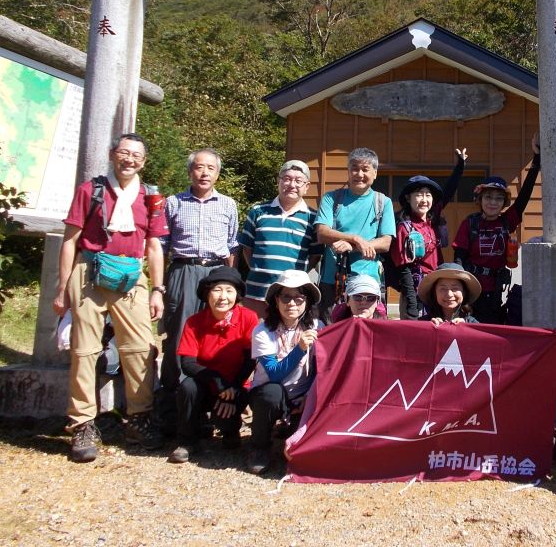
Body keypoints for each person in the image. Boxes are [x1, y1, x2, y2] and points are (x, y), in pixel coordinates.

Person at [53, 132, 167, 462]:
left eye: (137, 155)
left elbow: (155, 246)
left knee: (139, 349)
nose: (129, 160)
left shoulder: (150, 197)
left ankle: (139, 417)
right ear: (112, 154)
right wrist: (63, 289)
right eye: (124, 153)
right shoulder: (90, 190)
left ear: (144, 161)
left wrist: (157, 289)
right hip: (90, 271)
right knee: (84, 350)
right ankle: (82, 423)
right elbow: (69, 241)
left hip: (132, 276)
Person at [157, 148, 240, 435]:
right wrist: (159, 286)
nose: (204, 173)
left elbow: (232, 247)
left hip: (216, 273)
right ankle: (176, 408)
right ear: (190, 171)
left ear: (218, 173)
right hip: (183, 270)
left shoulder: (228, 205)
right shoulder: (173, 203)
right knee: (180, 335)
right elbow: (161, 247)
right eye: (199, 167)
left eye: (210, 168)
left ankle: (211, 403)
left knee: (216, 336)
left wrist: (232, 284)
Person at [169, 266, 257, 463]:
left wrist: (231, 388)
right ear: (207, 293)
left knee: (227, 429)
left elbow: (251, 359)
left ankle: (230, 429)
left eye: (229, 290)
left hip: (236, 386)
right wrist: (216, 380)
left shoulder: (248, 318)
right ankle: (187, 440)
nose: (223, 297)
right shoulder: (194, 322)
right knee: (187, 387)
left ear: (237, 295)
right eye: (217, 290)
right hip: (206, 385)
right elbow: (188, 363)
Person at [453, 134, 541, 323]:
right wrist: (462, 292)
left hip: (496, 291)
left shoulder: (507, 221)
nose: (493, 202)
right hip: (472, 290)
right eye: (488, 197)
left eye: (498, 198)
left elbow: (525, 195)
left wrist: (536, 159)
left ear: (504, 202)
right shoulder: (470, 223)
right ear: (480, 200)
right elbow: (458, 258)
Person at [247, 269, 323, 475]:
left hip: (303, 397)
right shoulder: (262, 331)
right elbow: (273, 374)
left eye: (299, 298)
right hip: (268, 394)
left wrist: (309, 397)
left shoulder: (318, 327)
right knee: (272, 392)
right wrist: (299, 349)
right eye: (286, 297)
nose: (292, 304)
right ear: (276, 300)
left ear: (307, 302)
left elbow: (322, 368)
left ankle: (288, 430)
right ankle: (259, 447)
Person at [315, 147, 396, 322]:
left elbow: (385, 242)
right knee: (330, 329)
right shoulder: (332, 198)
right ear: (348, 171)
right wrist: (356, 239)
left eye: (365, 169)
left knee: (369, 331)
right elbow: (322, 233)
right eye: (354, 168)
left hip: (368, 282)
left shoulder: (383, 202)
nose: (359, 174)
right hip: (333, 279)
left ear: (375, 173)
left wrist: (351, 246)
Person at [388, 148, 467, 320]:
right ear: (408, 198)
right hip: (415, 289)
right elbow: (403, 268)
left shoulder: (432, 221)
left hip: (435, 288)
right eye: (419, 195)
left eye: (428, 195)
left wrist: (460, 166)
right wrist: (411, 302)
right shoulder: (405, 227)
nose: (424, 199)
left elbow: (448, 192)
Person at [239, 159, 318, 317]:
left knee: (288, 340)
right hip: (257, 292)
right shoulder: (258, 211)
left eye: (298, 181)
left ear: (307, 187)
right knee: (253, 338)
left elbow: (315, 255)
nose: (291, 184)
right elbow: (247, 249)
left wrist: (295, 278)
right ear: (278, 182)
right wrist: (260, 269)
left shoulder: (313, 218)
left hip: (292, 298)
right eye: (287, 179)